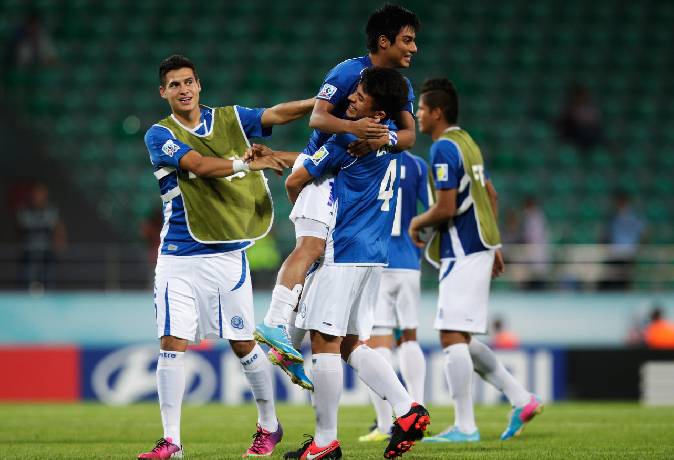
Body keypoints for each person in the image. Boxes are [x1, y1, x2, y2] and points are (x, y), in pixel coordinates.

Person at [138, 54, 314, 459]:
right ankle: (172, 442)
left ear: (199, 85)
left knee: (241, 343)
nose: (183, 89)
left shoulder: (230, 119)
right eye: (174, 84)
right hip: (178, 256)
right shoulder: (158, 134)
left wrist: (318, 103)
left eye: (188, 82)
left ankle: (269, 425)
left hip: (226, 255)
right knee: (171, 342)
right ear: (163, 92)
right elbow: (197, 165)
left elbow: (275, 114)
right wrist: (246, 163)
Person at [253, 3, 421, 391]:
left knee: (317, 272)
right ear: (384, 41)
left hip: (345, 184)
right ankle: (275, 325)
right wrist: (356, 128)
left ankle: (286, 349)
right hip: (324, 171)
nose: (413, 49)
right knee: (310, 250)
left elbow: (409, 136)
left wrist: (386, 137)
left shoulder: (401, 88)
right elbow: (317, 118)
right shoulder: (348, 72)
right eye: (407, 40)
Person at [282, 67, 430, 460]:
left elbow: (295, 179)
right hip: (375, 253)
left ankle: (324, 442)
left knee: (324, 343)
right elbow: (403, 136)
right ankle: (408, 409)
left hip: (344, 248)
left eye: (360, 96)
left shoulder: (349, 137)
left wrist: (301, 214)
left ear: (377, 114)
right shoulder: (392, 142)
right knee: (350, 344)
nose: (351, 98)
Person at [409, 78, 542, 443]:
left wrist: (416, 223)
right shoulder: (468, 142)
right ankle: (521, 397)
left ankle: (465, 426)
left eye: (421, 108)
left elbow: (447, 207)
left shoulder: (442, 150)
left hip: (463, 249)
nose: (418, 114)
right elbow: (490, 195)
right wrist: (494, 242)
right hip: (477, 245)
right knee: (461, 336)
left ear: (437, 112)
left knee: (451, 335)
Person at [359, 150, 432, 442]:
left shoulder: (367, 158)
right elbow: (433, 208)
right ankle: (420, 413)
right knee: (409, 338)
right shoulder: (416, 164)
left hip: (377, 259)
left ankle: (386, 423)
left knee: (376, 341)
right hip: (409, 262)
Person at [15, 183, 66, 291]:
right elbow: (19, 231)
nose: (37, 196)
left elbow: (59, 230)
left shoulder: (51, 211)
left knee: (49, 282)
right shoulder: (24, 211)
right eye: (35, 193)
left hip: (47, 253)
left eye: (40, 193)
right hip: (29, 253)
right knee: (25, 283)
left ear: (46, 195)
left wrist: (59, 242)